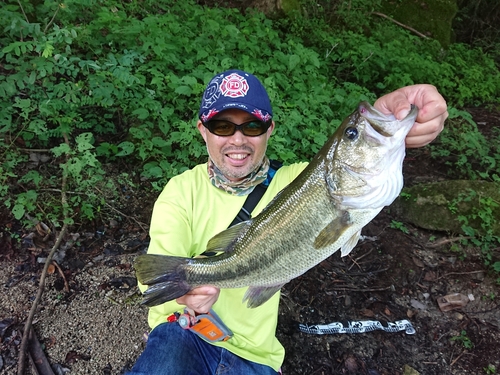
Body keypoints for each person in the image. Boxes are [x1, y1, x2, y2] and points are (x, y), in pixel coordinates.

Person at [127, 69, 448, 375]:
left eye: (251, 125)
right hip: (185, 335)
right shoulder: (181, 191)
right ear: (203, 131)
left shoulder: (300, 182)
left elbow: (361, 162)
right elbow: (153, 279)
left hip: (255, 357)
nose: (237, 139)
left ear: (269, 129)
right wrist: (185, 295)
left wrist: (394, 112)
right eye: (223, 126)